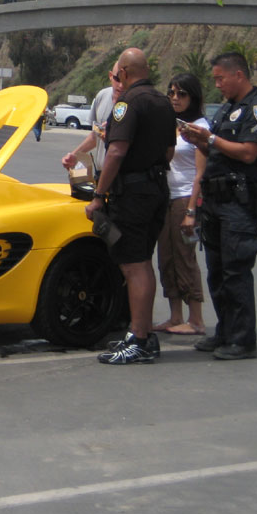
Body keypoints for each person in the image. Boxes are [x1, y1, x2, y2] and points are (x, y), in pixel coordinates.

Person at [180, 51, 257, 360]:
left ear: (239, 75)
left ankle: (242, 339)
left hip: (240, 201)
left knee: (236, 270)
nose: (218, 84)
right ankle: (224, 331)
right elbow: (215, 149)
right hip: (217, 200)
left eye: (221, 78)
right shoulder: (226, 110)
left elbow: (248, 152)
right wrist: (198, 140)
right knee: (217, 271)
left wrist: (212, 140)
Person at [85, 48, 175, 365]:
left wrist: (99, 194)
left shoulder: (127, 104)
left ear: (123, 72)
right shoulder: (163, 101)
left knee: (134, 265)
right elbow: (168, 152)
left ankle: (139, 338)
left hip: (133, 194)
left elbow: (116, 152)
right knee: (142, 262)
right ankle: (141, 334)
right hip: (156, 189)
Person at [153, 73, 208, 336]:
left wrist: (191, 211)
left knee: (185, 258)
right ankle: (175, 316)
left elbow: (201, 174)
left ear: (193, 97)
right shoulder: (171, 123)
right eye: (172, 92)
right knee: (166, 258)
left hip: (185, 198)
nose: (175, 98)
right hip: (166, 197)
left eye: (182, 93)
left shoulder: (199, 126)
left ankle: (195, 319)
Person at [61, 61, 122, 174]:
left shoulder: (134, 102)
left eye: (125, 80)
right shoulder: (102, 96)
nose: (121, 85)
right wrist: (75, 155)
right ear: (110, 76)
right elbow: (95, 136)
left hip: (122, 175)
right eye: (117, 79)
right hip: (100, 173)